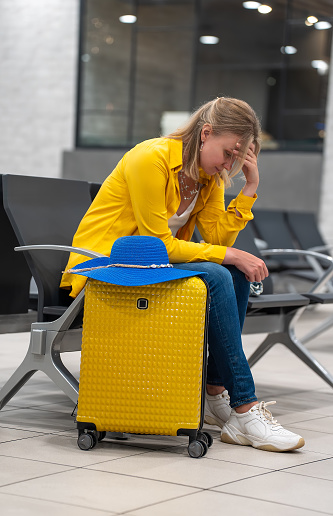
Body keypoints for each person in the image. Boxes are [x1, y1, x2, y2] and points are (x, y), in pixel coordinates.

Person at [61, 97, 305, 452]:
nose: (230, 164)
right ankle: (246, 409)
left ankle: (216, 390)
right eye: (229, 153)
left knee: (233, 275)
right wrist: (230, 254)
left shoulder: (209, 176)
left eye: (239, 158)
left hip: (152, 267)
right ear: (206, 134)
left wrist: (249, 189)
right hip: (109, 266)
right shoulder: (151, 158)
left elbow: (218, 239)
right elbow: (156, 242)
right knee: (222, 272)